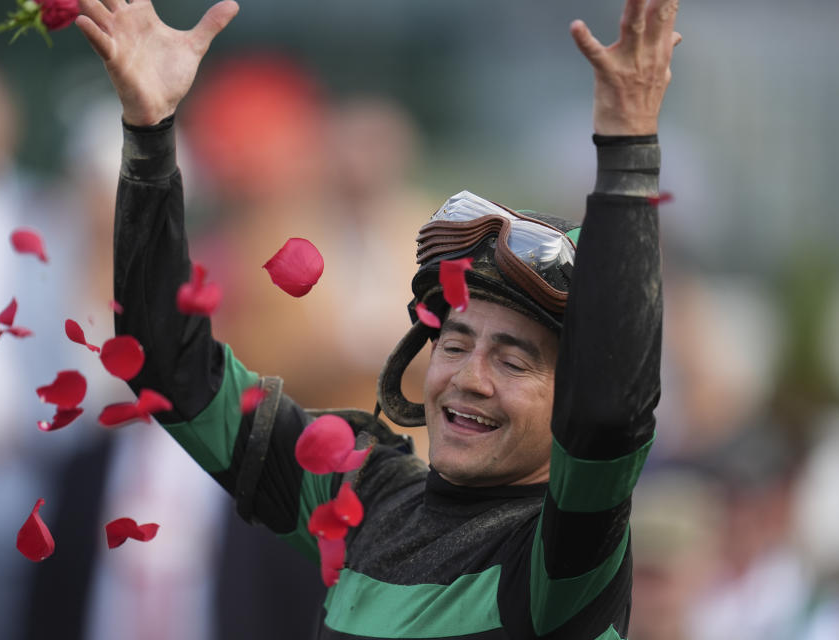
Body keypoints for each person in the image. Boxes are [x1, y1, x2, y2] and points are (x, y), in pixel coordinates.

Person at [76, 0, 680, 636]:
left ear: (569, 402)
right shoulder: (362, 501)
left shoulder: (565, 555)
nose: (469, 377)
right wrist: (150, 132)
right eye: (453, 345)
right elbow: (168, 369)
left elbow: (611, 415)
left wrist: (627, 147)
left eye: (513, 359)